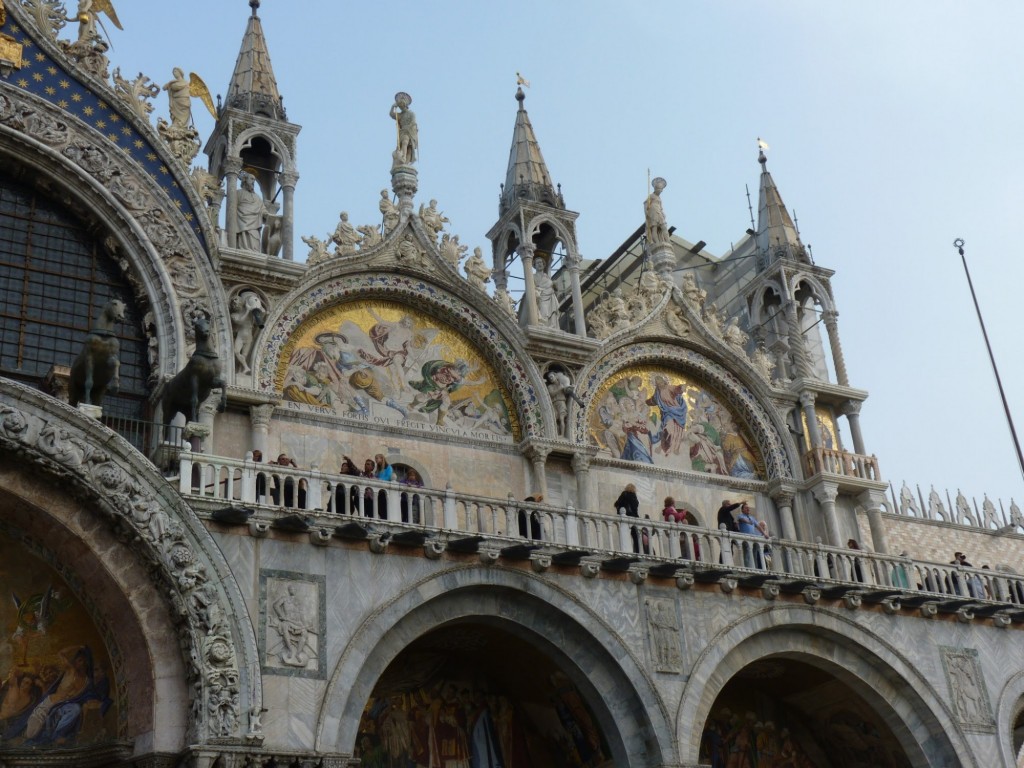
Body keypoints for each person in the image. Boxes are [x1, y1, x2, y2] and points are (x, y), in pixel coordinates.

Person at [235, 174, 266, 251]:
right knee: (243, 244)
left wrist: (267, 215)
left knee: (255, 244)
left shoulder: (257, 197)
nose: (253, 182)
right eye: (251, 179)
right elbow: (231, 209)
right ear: (245, 179)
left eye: (254, 180)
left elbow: (263, 210)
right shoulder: (238, 193)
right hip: (242, 225)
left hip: (255, 227)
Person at [389, 94, 418, 165]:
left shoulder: (411, 113)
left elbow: (413, 123)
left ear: (405, 105)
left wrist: (409, 129)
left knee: (407, 145)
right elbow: (392, 114)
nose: (401, 107)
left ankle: (404, 158)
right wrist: (392, 107)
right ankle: (403, 158)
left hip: (410, 132)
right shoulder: (400, 115)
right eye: (399, 105)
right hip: (402, 132)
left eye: (401, 105)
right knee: (403, 144)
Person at [533, 257, 560, 328]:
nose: (539, 264)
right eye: (537, 263)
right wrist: (538, 290)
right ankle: (544, 324)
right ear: (534, 265)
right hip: (541, 296)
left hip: (551, 297)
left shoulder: (547, 276)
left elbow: (554, 290)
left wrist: (555, 287)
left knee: (553, 312)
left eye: (541, 262)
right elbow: (532, 288)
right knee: (544, 312)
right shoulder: (533, 276)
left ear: (544, 264)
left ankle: (552, 325)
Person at [614, 483, 641, 553]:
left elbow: (616, 504)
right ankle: (637, 551)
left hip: (625, 517)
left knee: (626, 536)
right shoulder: (634, 496)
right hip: (633, 518)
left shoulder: (624, 494)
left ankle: (627, 550)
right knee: (636, 537)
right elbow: (635, 507)